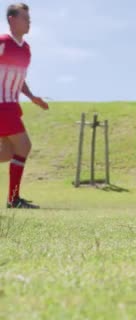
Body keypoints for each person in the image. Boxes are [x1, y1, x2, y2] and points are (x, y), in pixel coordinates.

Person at [0, 3, 48, 209]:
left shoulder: (26, 50)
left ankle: (13, 199)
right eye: (24, 18)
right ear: (12, 20)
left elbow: (19, 78)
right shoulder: (2, 42)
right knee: (24, 145)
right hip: (1, 105)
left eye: (29, 19)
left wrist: (31, 96)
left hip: (12, 106)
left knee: (9, 152)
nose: (29, 22)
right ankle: (13, 199)